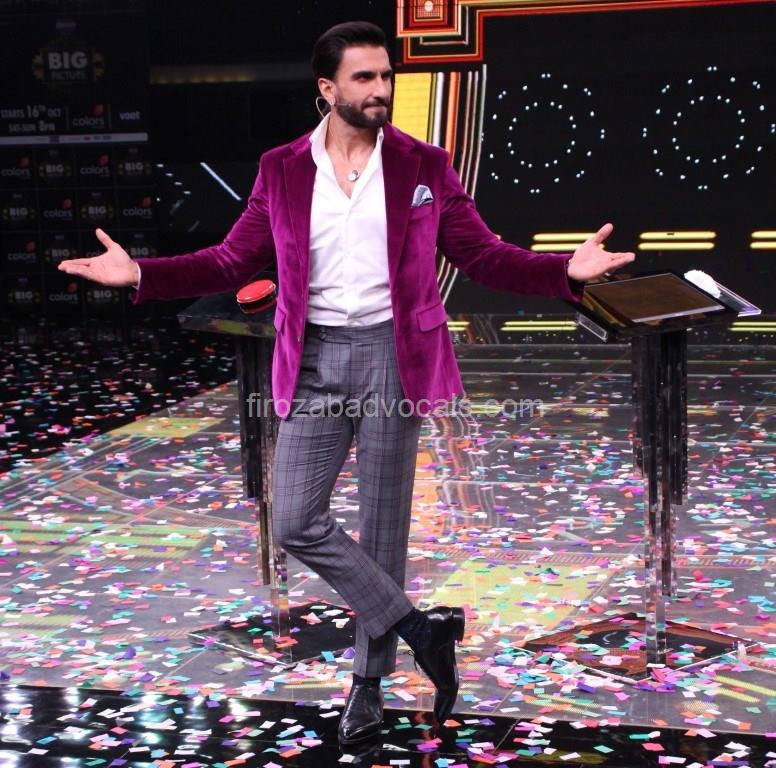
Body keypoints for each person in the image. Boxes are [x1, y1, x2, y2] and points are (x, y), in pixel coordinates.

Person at [59, 20, 634, 745]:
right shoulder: (282, 168)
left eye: (386, 76)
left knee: (383, 530)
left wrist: (563, 272)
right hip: (314, 359)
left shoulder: (425, 164)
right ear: (328, 89)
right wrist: (141, 273)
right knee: (296, 520)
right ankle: (422, 630)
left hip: (395, 356)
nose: (381, 89)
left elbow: (482, 255)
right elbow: (231, 260)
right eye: (365, 78)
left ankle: (368, 685)